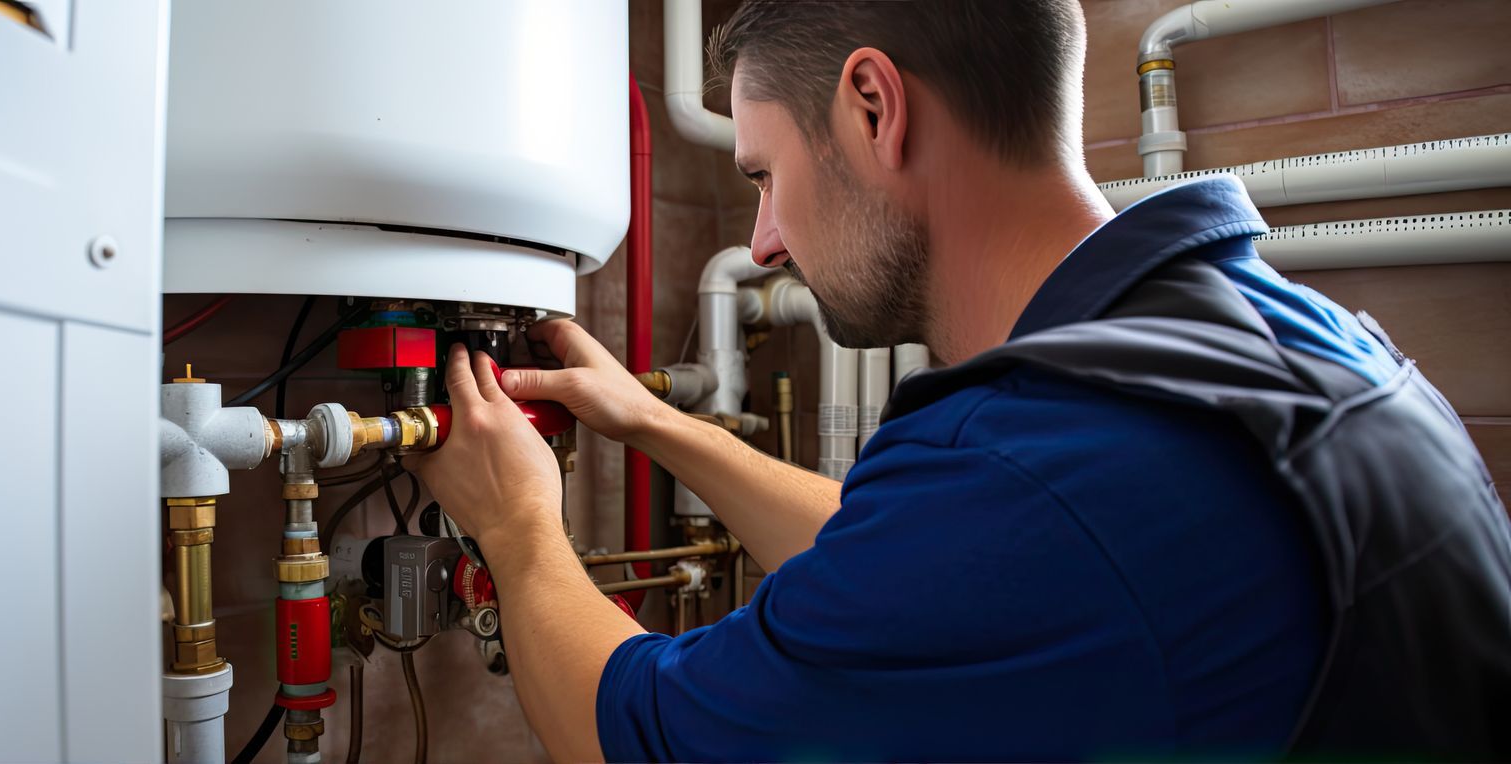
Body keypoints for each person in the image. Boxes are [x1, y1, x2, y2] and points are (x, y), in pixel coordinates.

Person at [405, 1, 1511, 761]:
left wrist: (517, 526)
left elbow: (629, 734)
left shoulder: (1036, 468)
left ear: (875, 108)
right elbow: (918, 554)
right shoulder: (1281, 343)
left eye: (766, 176)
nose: (766, 240)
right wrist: (653, 421)